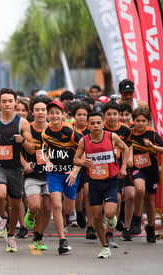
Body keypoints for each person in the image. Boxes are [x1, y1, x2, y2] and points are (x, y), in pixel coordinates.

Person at [0, 88, 34, 253]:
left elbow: (31, 149)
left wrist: (23, 141)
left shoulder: (22, 123)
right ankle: (2, 215)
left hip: (15, 168)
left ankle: (11, 235)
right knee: (1, 194)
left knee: (16, 204)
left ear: (15, 103)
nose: (7, 104)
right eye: (4, 101)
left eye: (10, 101)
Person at [74, 111, 129, 258]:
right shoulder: (84, 141)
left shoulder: (111, 136)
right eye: (92, 123)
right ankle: (104, 246)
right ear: (88, 125)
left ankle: (111, 220)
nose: (96, 126)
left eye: (98, 123)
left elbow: (125, 148)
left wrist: (123, 167)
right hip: (94, 182)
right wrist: (82, 162)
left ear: (103, 123)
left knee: (109, 212)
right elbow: (76, 159)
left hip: (111, 180)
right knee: (97, 215)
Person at [42, 101, 82, 254]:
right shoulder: (45, 133)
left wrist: (76, 170)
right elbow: (44, 150)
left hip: (70, 173)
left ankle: (69, 215)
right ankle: (62, 241)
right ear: (48, 115)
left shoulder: (70, 131)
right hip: (54, 174)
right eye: (51, 113)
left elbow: (84, 148)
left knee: (69, 207)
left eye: (57, 113)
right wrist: (47, 160)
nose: (54, 116)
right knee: (56, 205)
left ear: (63, 114)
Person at [127, 107, 163, 243]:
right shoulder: (130, 133)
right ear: (133, 121)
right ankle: (137, 217)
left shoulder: (152, 134)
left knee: (150, 201)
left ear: (148, 122)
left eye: (143, 121)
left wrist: (152, 146)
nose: (140, 123)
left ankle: (150, 228)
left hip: (151, 170)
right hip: (136, 167)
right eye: (137, 121)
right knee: (139, 188)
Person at [22, 96, 52, 251]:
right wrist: (24, 164)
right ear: (32, 112)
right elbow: (18, 149)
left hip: (50, 174)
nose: (40, 113)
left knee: (48, 208)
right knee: (35, 205)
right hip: (32, 173)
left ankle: (38, 236)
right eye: (37, 110)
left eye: (43, 110)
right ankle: (31, 214)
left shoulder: (54, 128)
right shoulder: (28, 128)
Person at [102, 102, 133, 246]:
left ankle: (110, 233)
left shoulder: (125, 130)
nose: (112, 117)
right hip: (99, 170)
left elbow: (128, 147)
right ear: (104, 115)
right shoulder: (99, 127)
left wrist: (125, 165)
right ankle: (100, 225)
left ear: (119, 115)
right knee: (100, 205)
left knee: (118, 200)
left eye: (115, 114)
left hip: (116, 170)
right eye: (109, 114)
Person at [71, 102, 96, 239]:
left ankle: (90, 227)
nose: (82, 117)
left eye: (84, 115)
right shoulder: (69, 129)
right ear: (74, 116)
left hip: (87, 166)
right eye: (79, 114)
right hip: (72, 165)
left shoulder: (91, 130)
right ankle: (79, 211)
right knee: (76, 199)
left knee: (88, 193)